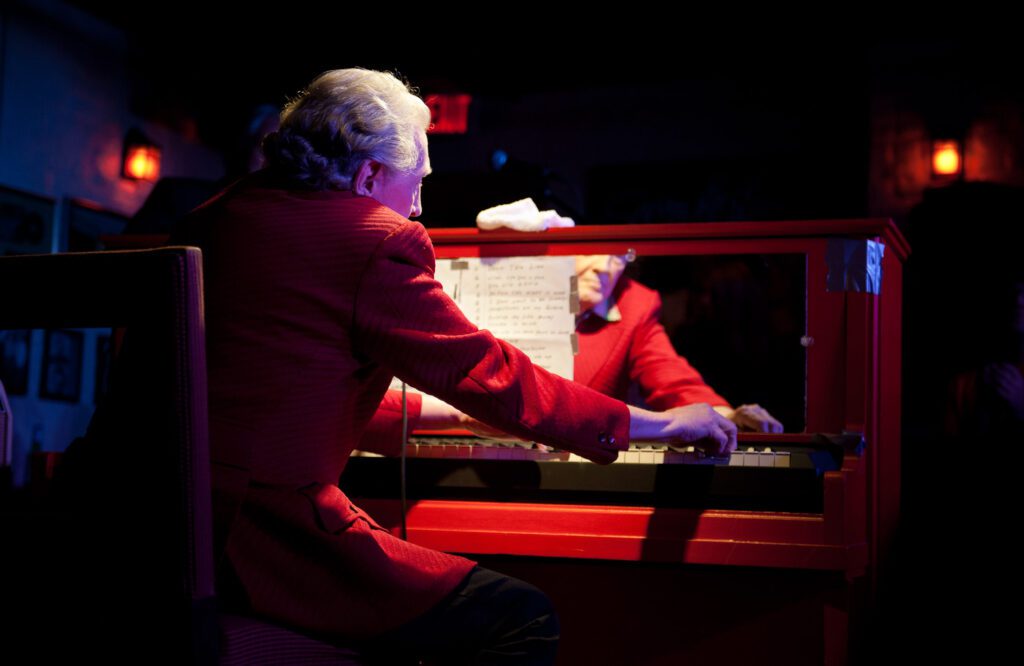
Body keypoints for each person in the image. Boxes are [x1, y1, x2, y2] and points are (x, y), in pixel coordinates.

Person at [169, 68, 737, 664]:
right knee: (523, 618)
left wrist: (448, 412)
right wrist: (663, 424)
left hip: (145, 523)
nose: (417, 207)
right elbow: (492, 375)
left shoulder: (212, 218)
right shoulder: (372, 236)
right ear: (368, 176)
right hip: (253, 537)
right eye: (416, 184)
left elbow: (276, 390)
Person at [574, 254, 784, 433]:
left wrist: (726, 417)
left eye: (618, 256)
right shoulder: (541, 287)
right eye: (588, 253)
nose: (604, 267)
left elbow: (670, 377)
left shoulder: (633, 303)